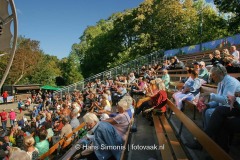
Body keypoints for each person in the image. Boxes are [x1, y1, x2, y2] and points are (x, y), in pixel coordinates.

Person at [202, 62, 240, 130]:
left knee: (208, 112)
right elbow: (219, 99)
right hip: (224, 106)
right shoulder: (221, 82)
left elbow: (226, 100)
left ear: (221, 73)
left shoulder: (231, 82)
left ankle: (210, 135)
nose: (212, 77)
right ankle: (206, 132)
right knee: (205, 108)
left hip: (235, 107)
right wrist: (208, 104)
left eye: (213, 75)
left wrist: (211, 96)